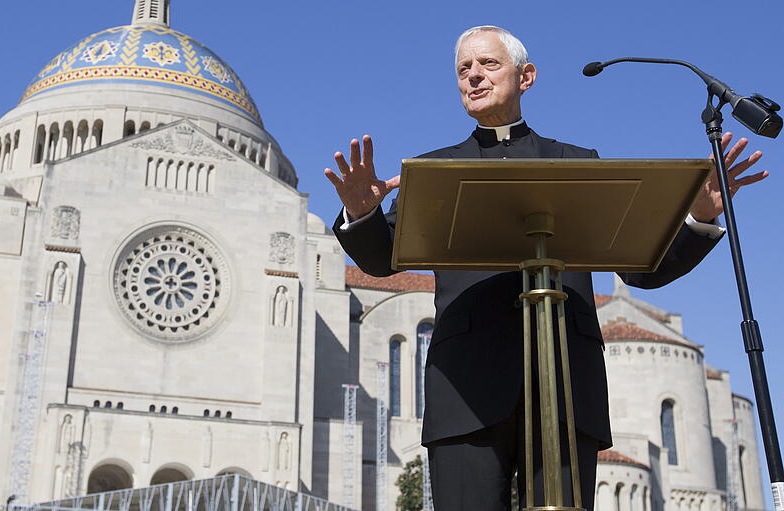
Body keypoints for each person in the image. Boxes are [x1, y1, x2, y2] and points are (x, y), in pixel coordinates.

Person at [324, 25, 768, 511]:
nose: (473, 76)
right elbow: (381, 261)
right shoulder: (433, 171)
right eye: (463, 69)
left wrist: (698, 218)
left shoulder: (579, 163)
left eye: (488, 64)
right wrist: (362, 214)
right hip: (465, 393)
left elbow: (643, 271)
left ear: (526, 76)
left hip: (567, 388)